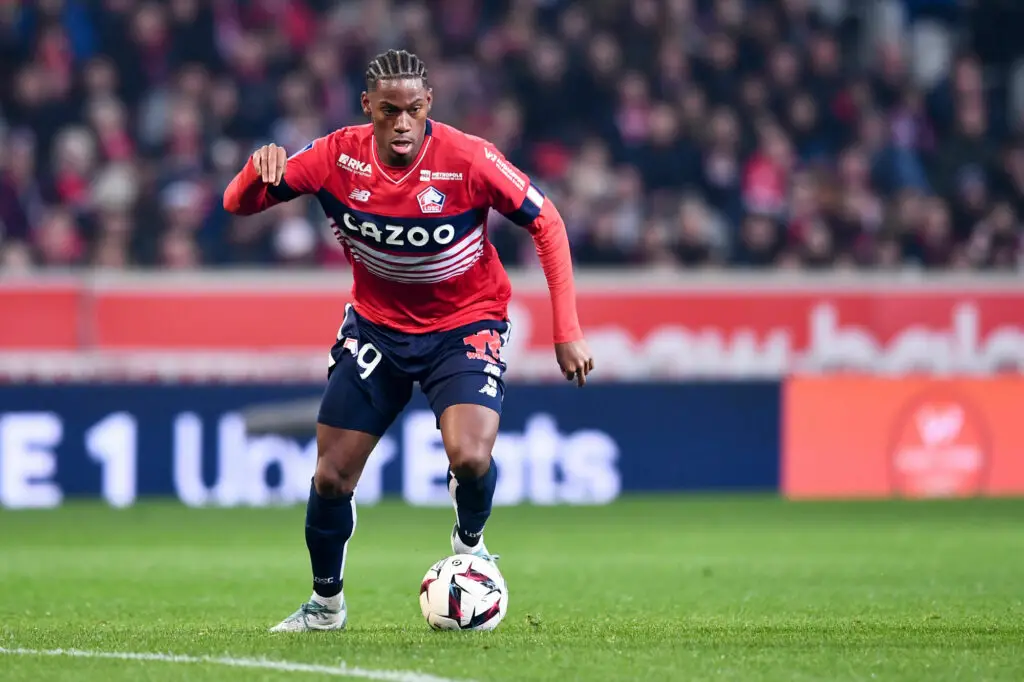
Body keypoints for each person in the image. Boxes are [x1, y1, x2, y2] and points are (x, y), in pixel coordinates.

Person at [223, 49, 594, 632]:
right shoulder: (332, 157)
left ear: (429, 106)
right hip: (377, 329)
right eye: (389, 110)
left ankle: (468, 542)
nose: (402, 123)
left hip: (465, 324)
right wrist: (255, 168)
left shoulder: (469, 159)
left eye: (414, 110)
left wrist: (566, 329)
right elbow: (237, 204)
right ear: (367, 106)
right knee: (330, 476)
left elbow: (545, 222)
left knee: (470, 457)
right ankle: (325, 606)